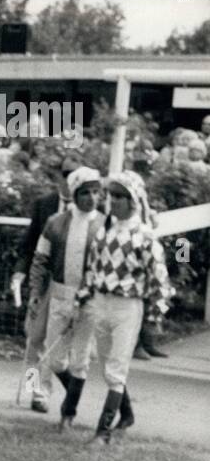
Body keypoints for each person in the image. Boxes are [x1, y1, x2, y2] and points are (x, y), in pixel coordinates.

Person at [73, 172, 172, 442]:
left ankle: (102, 432)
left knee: (116, 368)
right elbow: (92, 270)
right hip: (101, 303)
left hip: (127, 306)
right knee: (106, 367)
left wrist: (155, 314)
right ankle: (126, 416)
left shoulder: (146, 236)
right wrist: (82, 297)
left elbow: (159, 279)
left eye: (119, 196)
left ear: (133, 200)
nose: (112, 201)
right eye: (111, 195)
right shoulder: (105, 230)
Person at [26, 167, 104, 427]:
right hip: (55, 292)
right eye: (85, 193)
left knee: (79, 356)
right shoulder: (54, 219)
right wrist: (34, 290)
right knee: (38, 343)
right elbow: (38, 256)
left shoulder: (104, 224)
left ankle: (68, 405)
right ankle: (35, 389)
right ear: (73, 192)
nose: (91, 198)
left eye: (96, 192)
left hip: (88, 297)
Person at [11, 156, 81, 413]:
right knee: (35, 338)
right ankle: (34, 390)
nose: (71, 180)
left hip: (70, 285)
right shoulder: (44, 205)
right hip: (43, 281)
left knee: (57, 343)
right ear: (58, 177)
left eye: (76, 175)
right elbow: (28, 245)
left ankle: (47, 390)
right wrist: (20, 272)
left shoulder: (86, 212)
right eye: (67, 174)